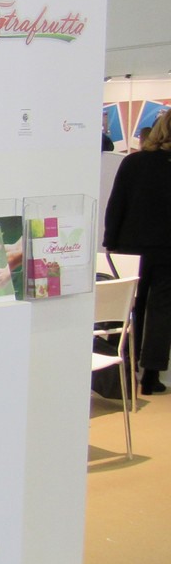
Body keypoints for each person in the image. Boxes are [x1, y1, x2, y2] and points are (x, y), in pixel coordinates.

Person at [103, 111, 171, 395]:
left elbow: (116, 204)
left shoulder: (133, 162)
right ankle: (151, 375)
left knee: (131, 306)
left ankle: (126, 369)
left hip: (131, 246)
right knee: (162, 309)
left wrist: (110, 241)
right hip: (167, 248)